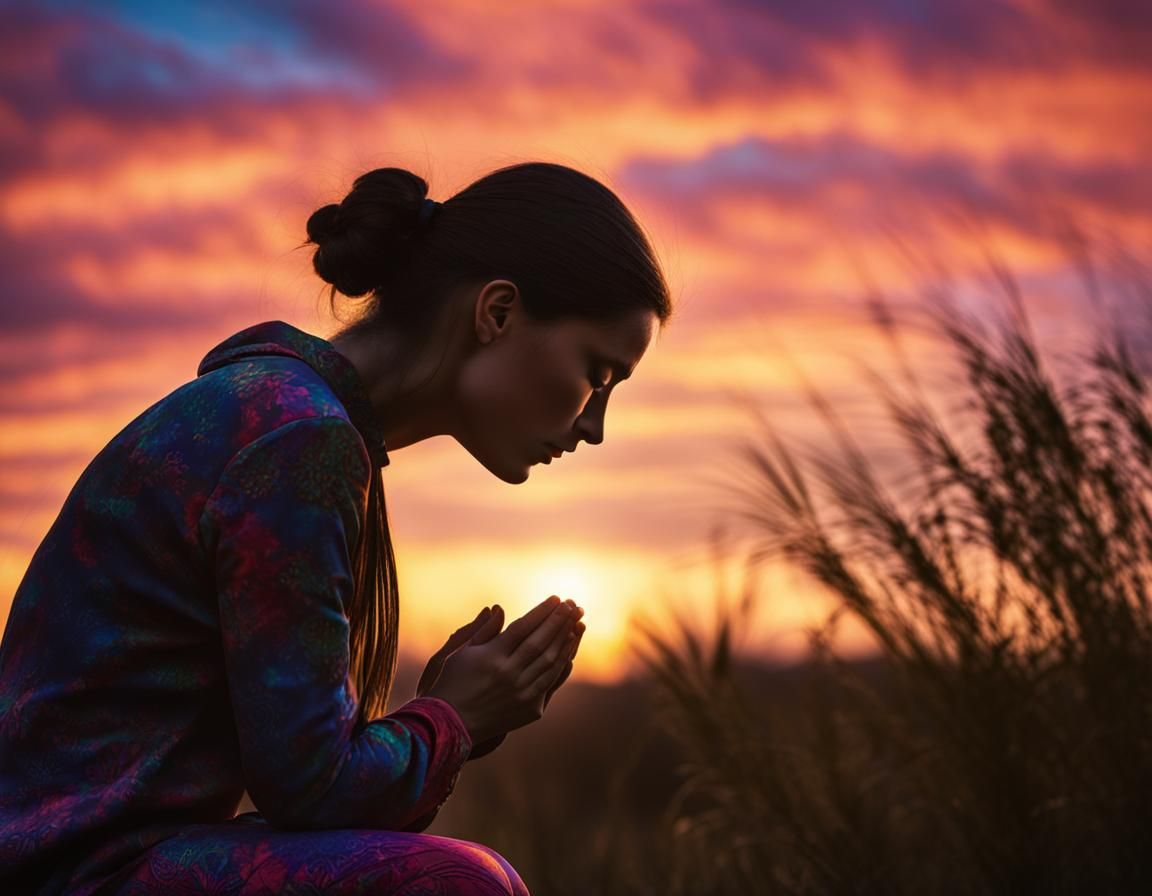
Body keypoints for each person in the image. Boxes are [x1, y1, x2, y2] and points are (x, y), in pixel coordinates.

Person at [0, 161, 673, 895]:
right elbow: (312, 789)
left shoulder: (277, 409)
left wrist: (440, 715)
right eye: (598, 375)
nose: (596, 426)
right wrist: (455, 719)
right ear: (499, 313)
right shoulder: (298, 441)